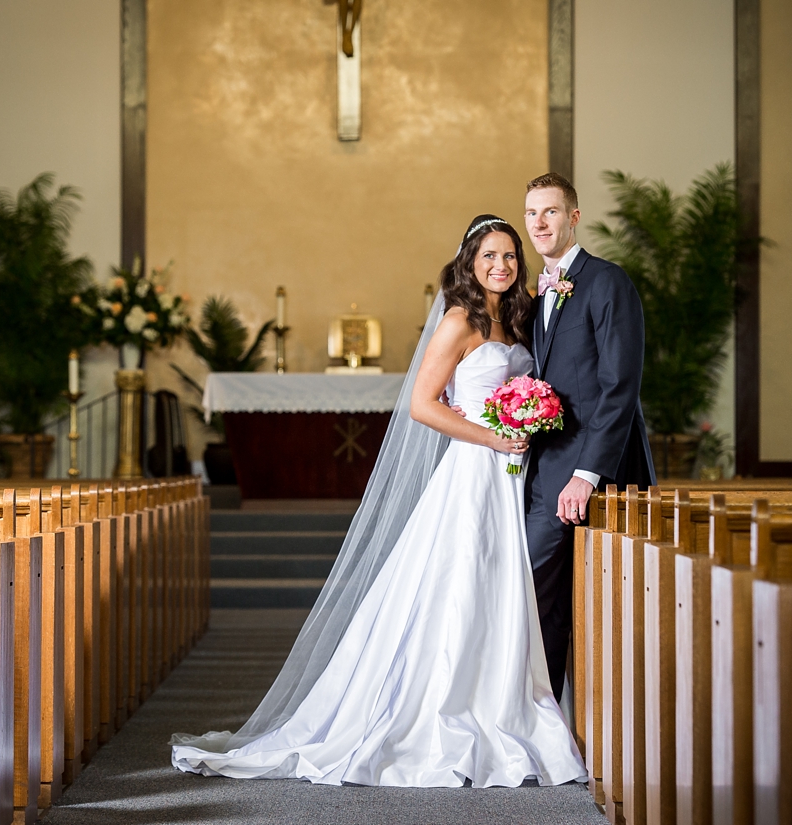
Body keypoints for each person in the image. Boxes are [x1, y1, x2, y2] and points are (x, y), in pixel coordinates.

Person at [170, 215, 587, 788]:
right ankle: (446, 707)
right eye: (489, 255)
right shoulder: (459, 320)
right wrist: (493, 434)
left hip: (516, 475)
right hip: (474, 472)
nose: (501, 265)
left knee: (502, 586)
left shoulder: (516, 318)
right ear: (469, 260)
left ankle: (502, 700)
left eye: (510, 256)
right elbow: (422, 404)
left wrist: (527, 417)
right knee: (462, 584)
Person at [521, 173, 655, 701]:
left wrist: (586, 475)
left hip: (587, 473)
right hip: (542, 467)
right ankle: (544, 724)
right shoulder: (536, 292)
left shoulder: (607, 282)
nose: (540, 223)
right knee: (545, 605)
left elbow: (619, 386)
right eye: (532, 213)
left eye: (551, 212)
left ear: (573, 216)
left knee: (540, 592)